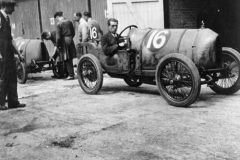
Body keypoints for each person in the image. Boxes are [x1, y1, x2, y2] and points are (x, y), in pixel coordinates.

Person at [0, 0, 26, 110]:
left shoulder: (7, 18)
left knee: (12, 77)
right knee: (3, 77)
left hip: (9, 53)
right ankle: (0, 103)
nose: (14, 10)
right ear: (6, 6)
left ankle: (13, 101)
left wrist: (18, 54)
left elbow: (11, 39)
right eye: (12, 7)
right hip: (2, 53)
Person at [54, 11, 76, 80]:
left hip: (64, 41)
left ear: (57, 17)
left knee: (66, 58)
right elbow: (73, 32)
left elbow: (58, 37)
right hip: (70, 39)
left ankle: (71, 75)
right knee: (70, 58)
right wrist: (70, 37)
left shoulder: (59, 24)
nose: (56, 20)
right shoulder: (69, 21)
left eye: (56, 18)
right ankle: (71, 73)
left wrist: (57, 45)